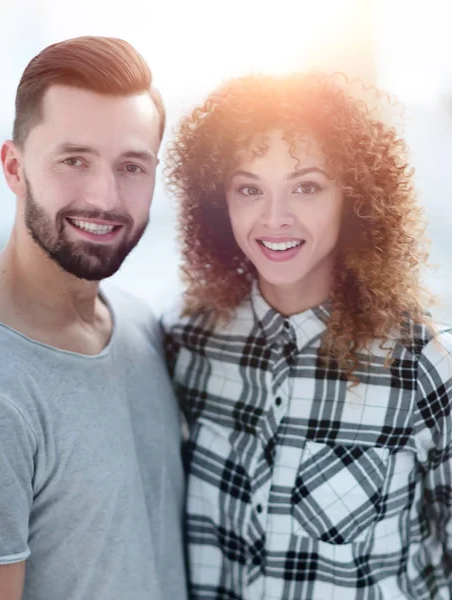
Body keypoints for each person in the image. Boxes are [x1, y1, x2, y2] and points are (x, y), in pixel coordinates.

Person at [162, 72, 452, 599]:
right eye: (249, 188)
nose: (275, 219)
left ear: (353, 196)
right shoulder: (187, 341)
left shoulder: (421, 365)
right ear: (217, 201)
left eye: (307, 187)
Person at [0, 36, 187, 600]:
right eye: (73, 160)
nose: (103, 196)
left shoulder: (138, 324)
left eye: (132, 166)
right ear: (14, 167)